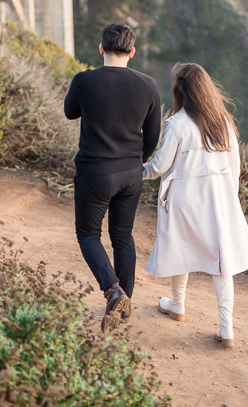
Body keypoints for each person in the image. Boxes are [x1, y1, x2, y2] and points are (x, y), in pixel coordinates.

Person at [143, 62, 248, 349]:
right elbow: (235, 167)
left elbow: (159, 166)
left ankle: (178, 304)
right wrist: (229, 198)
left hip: (184, 197)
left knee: (179, 248)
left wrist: (134, 170)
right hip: (219, 198)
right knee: (222, 260)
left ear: (180, 92)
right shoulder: (225, 123)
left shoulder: (178, 123)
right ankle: (226, 326)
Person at [64, 22, 161, 332]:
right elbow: (153, 137)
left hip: (94, 173)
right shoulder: (148, 86)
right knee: (122, 237)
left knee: (88, 235)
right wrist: (136, 161)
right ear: (132, 52)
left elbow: (70, 112)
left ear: (101, 48)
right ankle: (123, 305)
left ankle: (114, 291)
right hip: (131, 174)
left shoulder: (84, 81)